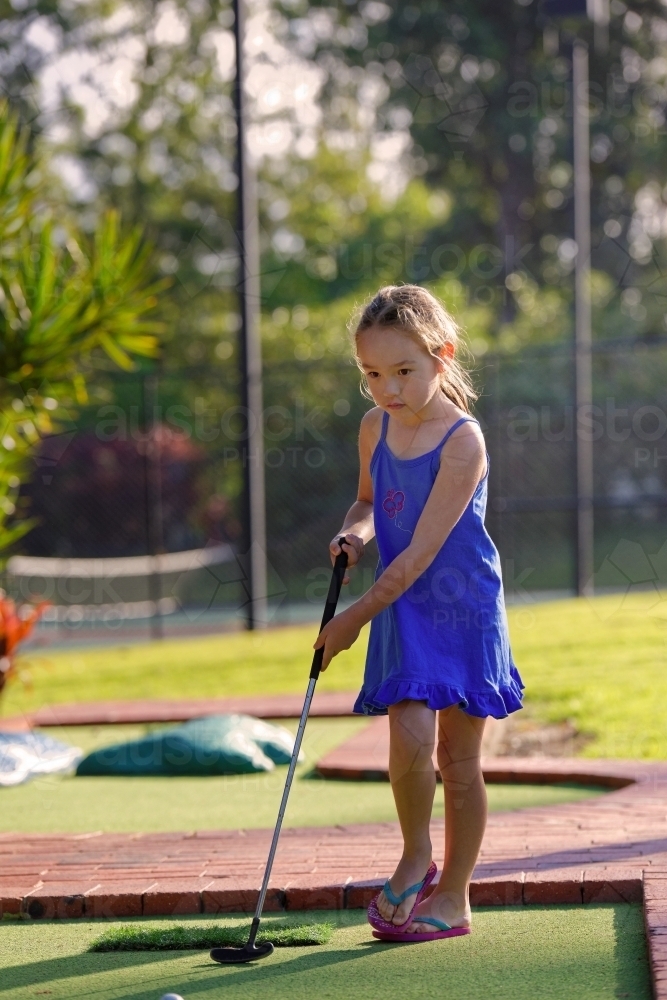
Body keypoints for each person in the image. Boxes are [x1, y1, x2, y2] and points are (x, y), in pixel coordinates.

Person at [314, 284, 524, 942]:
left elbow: (420, 559)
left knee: (458, 758)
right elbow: (367, 503)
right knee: (406, 736)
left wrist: (349, 621)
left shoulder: (463, 442)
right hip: (400, 605)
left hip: (458, 606)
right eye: (371, 374)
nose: (387, 389)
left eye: (402, 371)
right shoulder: (374, 426)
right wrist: (355, 535)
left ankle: (454, 897)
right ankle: (414, 854)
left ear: (441, 357)